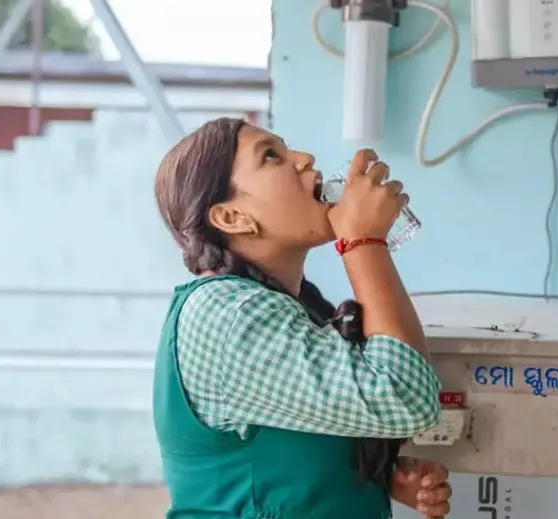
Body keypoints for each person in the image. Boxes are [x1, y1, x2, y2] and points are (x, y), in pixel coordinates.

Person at [152, 117, 451, 519]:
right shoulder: (228, 315)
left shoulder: (294, 307)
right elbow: (405, 398)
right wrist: (363, 240)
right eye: (271, 156)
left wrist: (373, 477)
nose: (304, 158)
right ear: (231, 218)